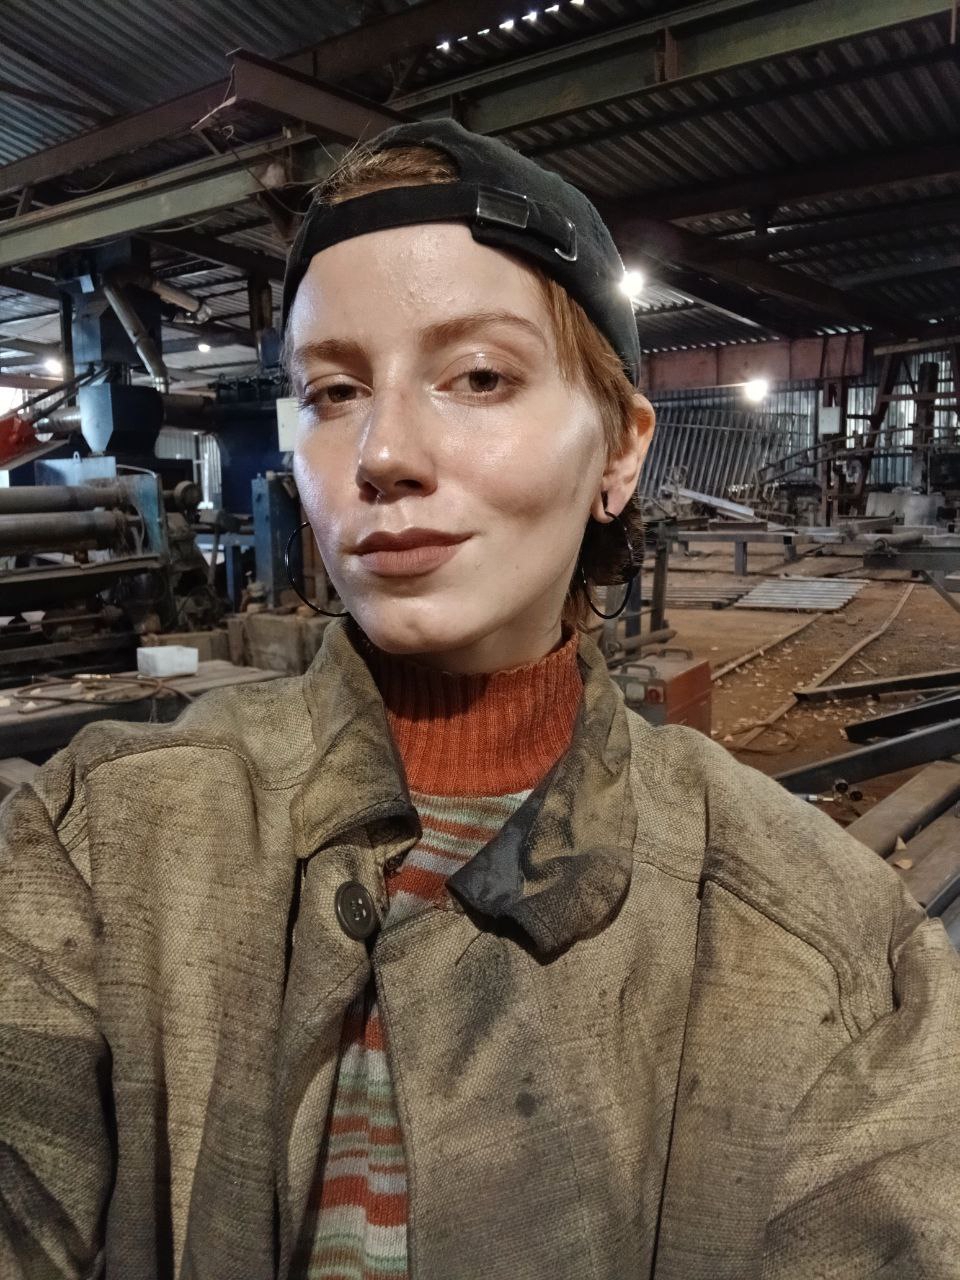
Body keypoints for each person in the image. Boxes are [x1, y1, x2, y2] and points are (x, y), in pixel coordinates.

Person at [2, 119, 959, 1280]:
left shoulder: (826, 946)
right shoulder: (98, 840)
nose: (383, 451)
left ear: (620, 449)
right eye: (332, 389)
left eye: (480, 377)